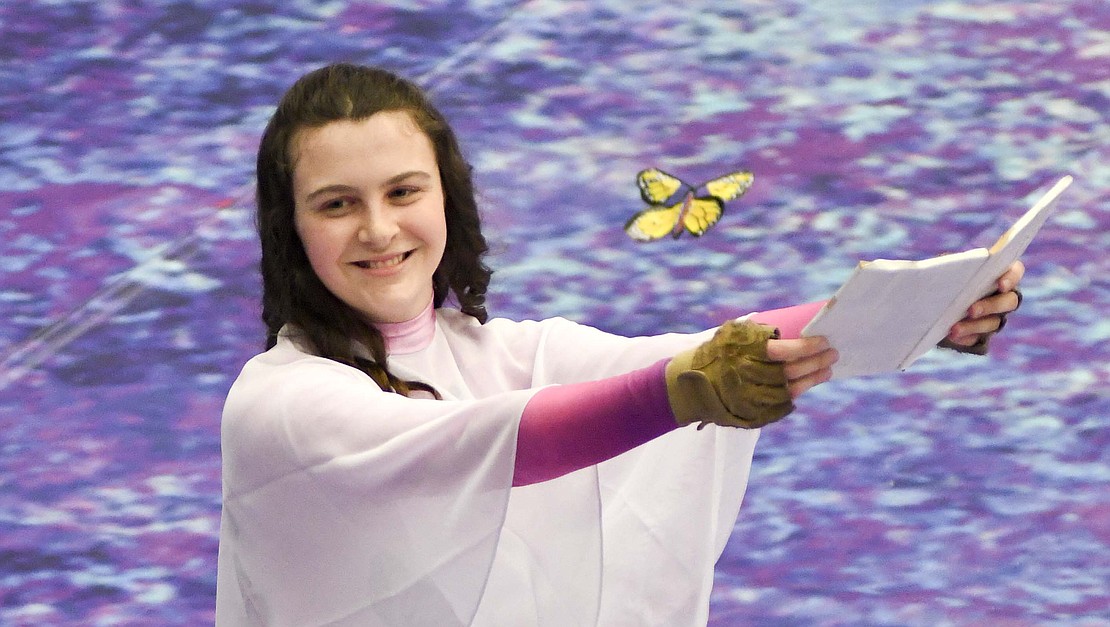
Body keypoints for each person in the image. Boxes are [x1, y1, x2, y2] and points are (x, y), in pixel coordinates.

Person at [215, 63, 1024, 626]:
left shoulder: (503, 352)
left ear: (447, 198)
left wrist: (924, 306)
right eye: (336, 204)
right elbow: (499, 439)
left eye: (402, 191)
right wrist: (682, 391)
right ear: (289, 228)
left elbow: (698, 352)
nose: (380, 228)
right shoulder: (280, 403)